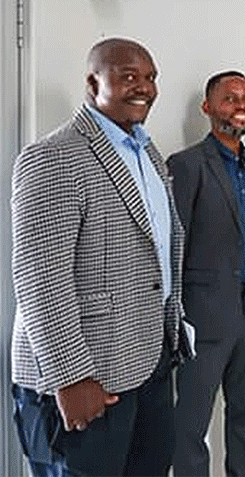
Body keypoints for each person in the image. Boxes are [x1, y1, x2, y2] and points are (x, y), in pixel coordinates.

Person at [10, 38, 187, 476]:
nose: (144, 87)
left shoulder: (146, 152)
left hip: (147, 366)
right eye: (129, 76)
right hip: (86, 379)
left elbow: (156, 253)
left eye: (150, 77)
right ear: (93, 82)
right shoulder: (54, 157)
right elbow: (39, 278)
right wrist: (71, 377)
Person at [168, 71, 245, 477]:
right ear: (208, 107)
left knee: (244, 415)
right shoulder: (185, 165)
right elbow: (173, 246)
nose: (241, 106)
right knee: (191, 423)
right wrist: (175, 317)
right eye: (230, 98)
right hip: (205, 315)